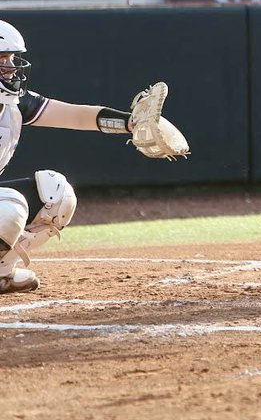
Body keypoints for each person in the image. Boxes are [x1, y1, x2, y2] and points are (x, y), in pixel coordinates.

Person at [0, 19, 173, 293]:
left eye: (12, 58)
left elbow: (77, 115)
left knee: (56, 193)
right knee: (9, 208)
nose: (11, 67)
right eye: (2, 59)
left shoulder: (14, 103)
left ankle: (2, 273)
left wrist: (131, 123)